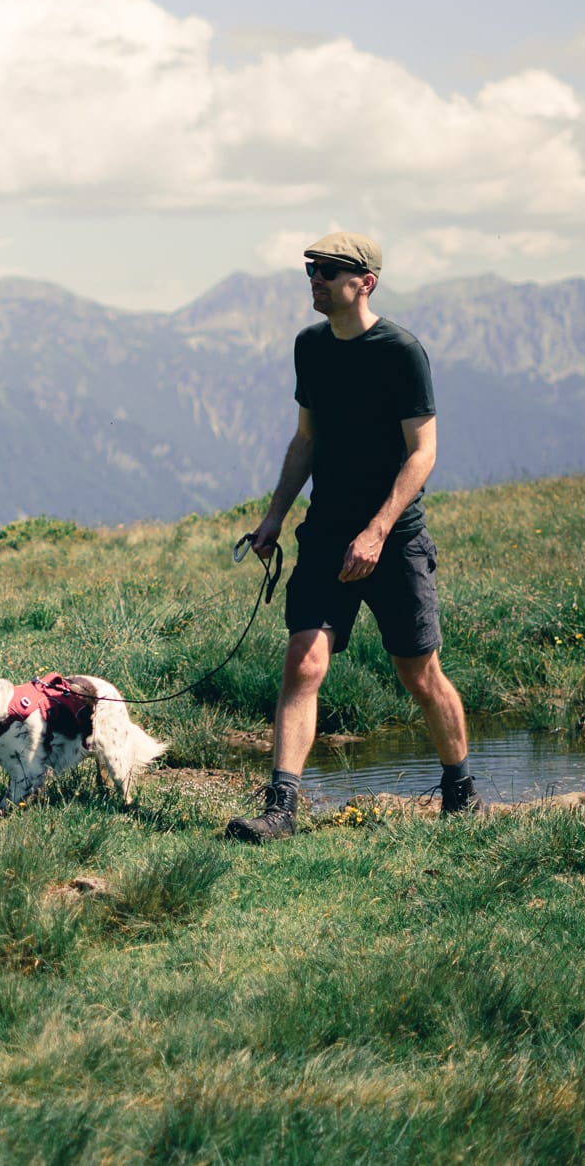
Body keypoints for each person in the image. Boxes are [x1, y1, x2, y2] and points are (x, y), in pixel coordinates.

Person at [225, 231, 473, 842]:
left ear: (366, 282)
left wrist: (378, 530)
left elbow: (424, 453)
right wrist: (275, 516)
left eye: (329, 270)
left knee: (418, 673)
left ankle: (461, 791)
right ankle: (281, 809)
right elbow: (306, 439)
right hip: (325, 534)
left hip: (393, 539)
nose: (316, 278)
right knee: (302, 663)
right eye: (311, 268)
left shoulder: (401, 351)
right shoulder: (309, 347)